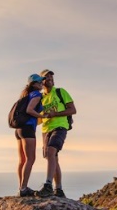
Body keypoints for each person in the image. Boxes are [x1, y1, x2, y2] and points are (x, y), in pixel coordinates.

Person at [35, 69, 76, 198]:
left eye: (51, 77)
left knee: (51, 151)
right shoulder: (40, 98)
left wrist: (55, 114)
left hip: (60, 126)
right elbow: (38, 118)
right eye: (46, 77)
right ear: (41, 81)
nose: (50, 79)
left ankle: (48, 185)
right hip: (46, 129)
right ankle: (59, 190)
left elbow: (72, 110)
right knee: (52, 157)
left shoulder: (60, 92)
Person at [15, 74, 45, 197]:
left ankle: (21, 187)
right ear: (34, 84)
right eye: (40, 82)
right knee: (30, 159)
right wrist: (43, 116)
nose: (42, 84)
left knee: (22, 160)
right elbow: (29, 110)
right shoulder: (36, 94)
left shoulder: (25, 95)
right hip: (27, 129)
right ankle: (23, 188)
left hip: (19, 130)